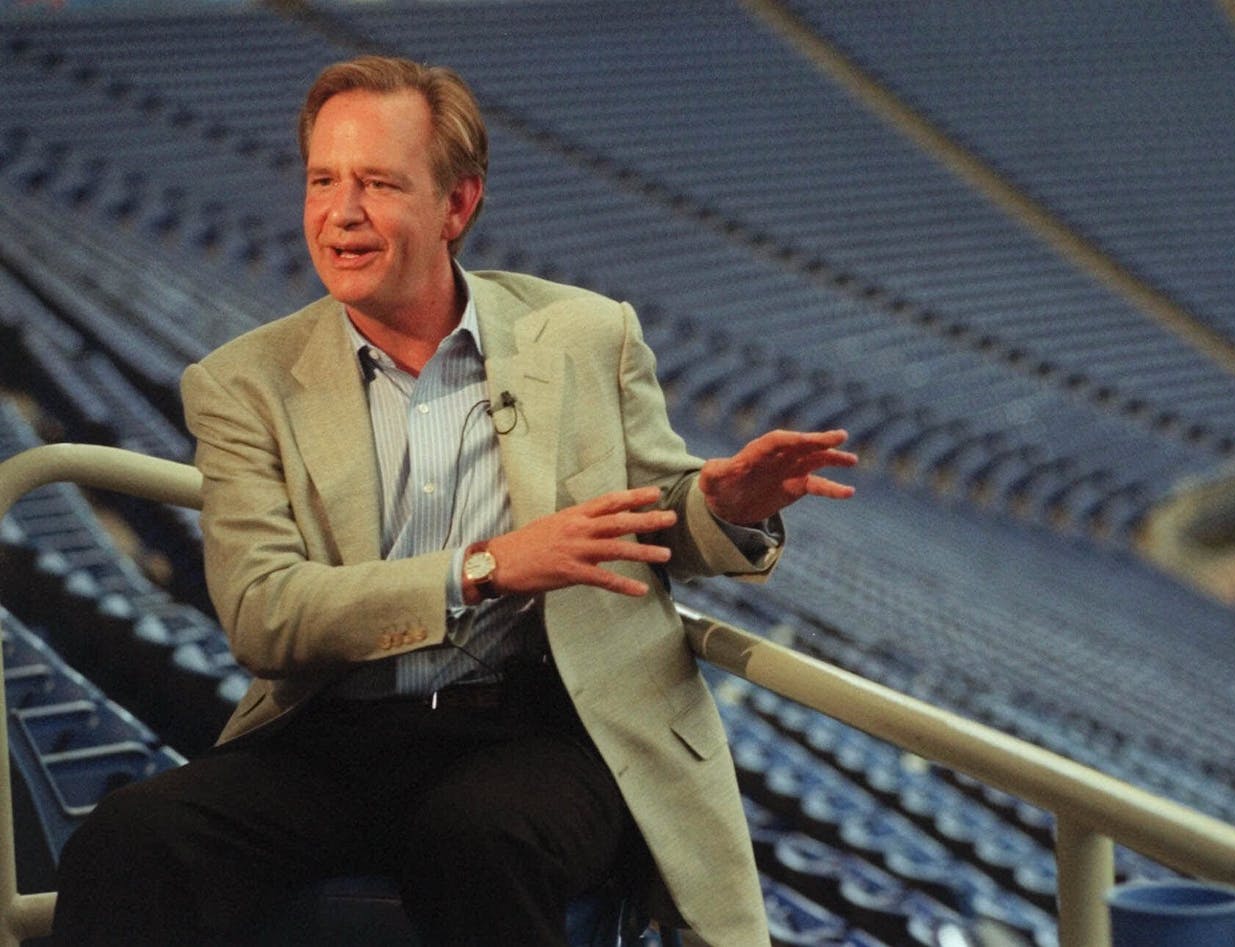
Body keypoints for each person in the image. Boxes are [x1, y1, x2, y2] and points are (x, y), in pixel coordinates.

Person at [51, 55, 856, 946]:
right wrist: (483, 568)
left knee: (478, 840)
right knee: (125, 841)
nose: (341, 213)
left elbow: (655, 511)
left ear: (458, 205)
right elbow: (262, 612)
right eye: (323, 180)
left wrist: (725, 503)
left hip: (543, 729)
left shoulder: (588, 334)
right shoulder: (243, 384)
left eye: (379, 184)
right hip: (335, 730)